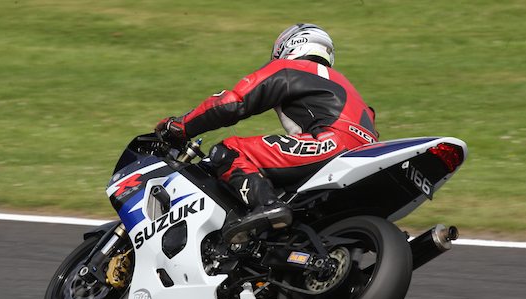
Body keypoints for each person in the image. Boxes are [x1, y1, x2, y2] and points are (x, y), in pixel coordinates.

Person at [156, 23, 379, 243]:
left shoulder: (290, 67)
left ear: (290, 45)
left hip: (330, 144)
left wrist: (180, 126)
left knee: (229, 151)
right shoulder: (345, 84)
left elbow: (232, 103)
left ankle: (268, 206)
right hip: (365, 154)